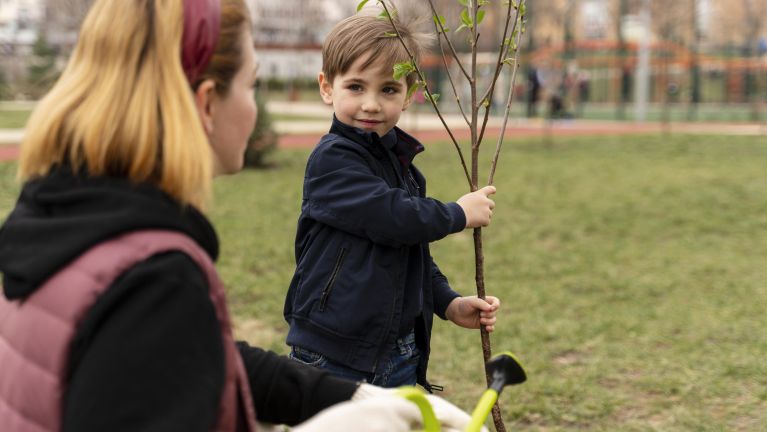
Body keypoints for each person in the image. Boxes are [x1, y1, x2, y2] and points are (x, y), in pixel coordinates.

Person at [0, 0, 478, 431]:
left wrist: (356, 399)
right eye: (253, 85)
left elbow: (195, 356)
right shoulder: (154, 280)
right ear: (208, 103)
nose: (256, 108)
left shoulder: (66, 218)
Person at [284, 1, 501, 390]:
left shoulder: (401, 166)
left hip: (397, 352)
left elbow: (410, 249)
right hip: (335, 351)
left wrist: (448, 302)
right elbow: (392, 217)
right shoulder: (333, 160)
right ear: (327, 87)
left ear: (409, 94)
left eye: (388, 89)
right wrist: (456, 213)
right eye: (355, 86)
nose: (371, 103)